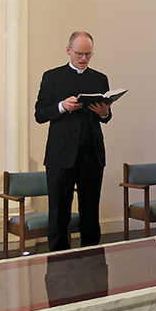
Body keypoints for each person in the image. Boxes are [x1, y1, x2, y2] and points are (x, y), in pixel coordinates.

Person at [35, 31, 114, 252]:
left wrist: (105, 112)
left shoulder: (100, 78)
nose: (83, 58)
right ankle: (58, 264)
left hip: (92, 153)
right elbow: (40, 114)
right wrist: (62, 106)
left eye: (88, 54)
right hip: (61, 156)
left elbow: (106, 118)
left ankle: (92, 260)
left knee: (90, 212)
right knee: (59, 212)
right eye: (79, 53)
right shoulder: (52, 77)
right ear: (68, 50)